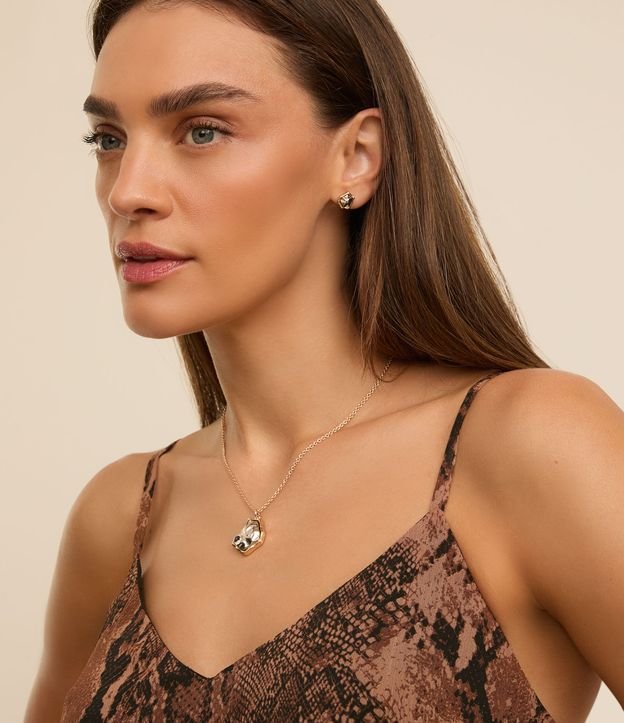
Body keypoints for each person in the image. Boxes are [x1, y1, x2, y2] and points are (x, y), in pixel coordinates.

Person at [25, 1, 623, 721]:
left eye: (203, 130)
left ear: (355, 157)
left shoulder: (528, 445)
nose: (128, 190)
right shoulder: (121, 519)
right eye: (109, 139)